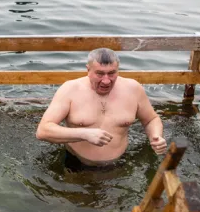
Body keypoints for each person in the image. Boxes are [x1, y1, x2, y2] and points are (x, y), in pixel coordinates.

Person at [36, 48, 167, 169]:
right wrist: (84, 134)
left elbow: (151, 119)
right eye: (99, 74)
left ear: (118, 70)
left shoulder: (133, 89)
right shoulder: (70, 89)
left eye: (111, 73)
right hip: (77, 162)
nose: (106, 81)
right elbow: (43, 131)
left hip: (120, 162)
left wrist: (155, 137)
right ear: (88, 70)